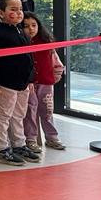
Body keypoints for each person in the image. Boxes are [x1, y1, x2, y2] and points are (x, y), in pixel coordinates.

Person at [0, 0, 36, 166]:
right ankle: (1, 149)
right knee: (2, 116)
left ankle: (19, 145)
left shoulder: (21, 31)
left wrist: (30, 79)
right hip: (5, 83)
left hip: (22, 83)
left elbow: (29, 57)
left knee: (18, 115)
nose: (19, 13)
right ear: (1, 13)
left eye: (20, 9)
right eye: (13, 10)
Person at [22, 13, 66, 152]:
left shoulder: (46, 43)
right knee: (30, 111)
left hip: (46, 83)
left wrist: (55, 77)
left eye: (34, 25)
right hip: (28, 84)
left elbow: (56, 62)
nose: (31, 29)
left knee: (47, 111)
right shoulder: (21, 43)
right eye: (26, 26)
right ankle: (31, 139)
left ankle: (51, 137)